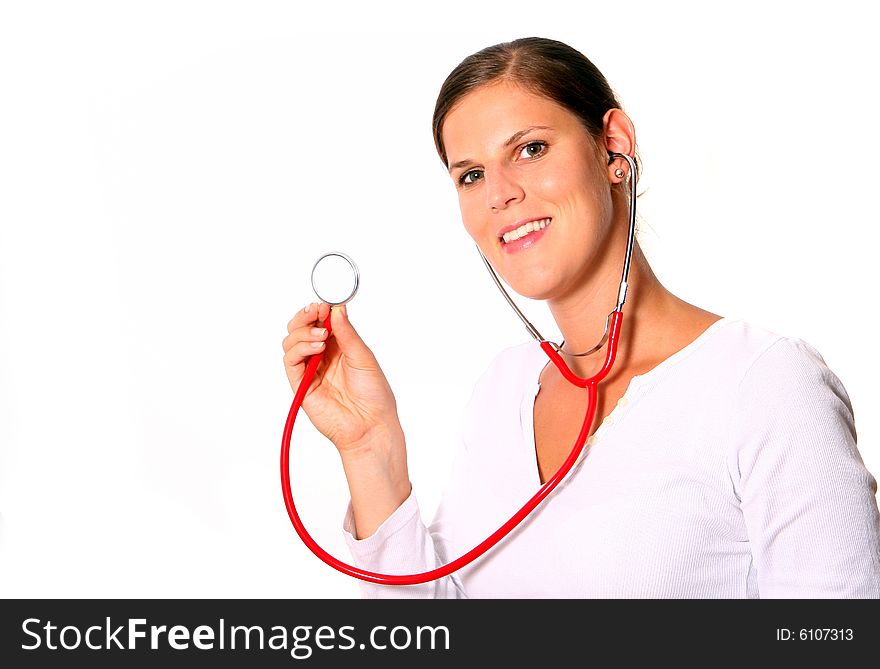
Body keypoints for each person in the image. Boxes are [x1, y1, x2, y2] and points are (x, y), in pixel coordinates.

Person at [281, 37, 880, 598]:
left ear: (613, 145)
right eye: (471, 175)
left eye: (530, 149)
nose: (499, 195)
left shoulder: (765, 384)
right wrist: (369, 445)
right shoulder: (503, 390)